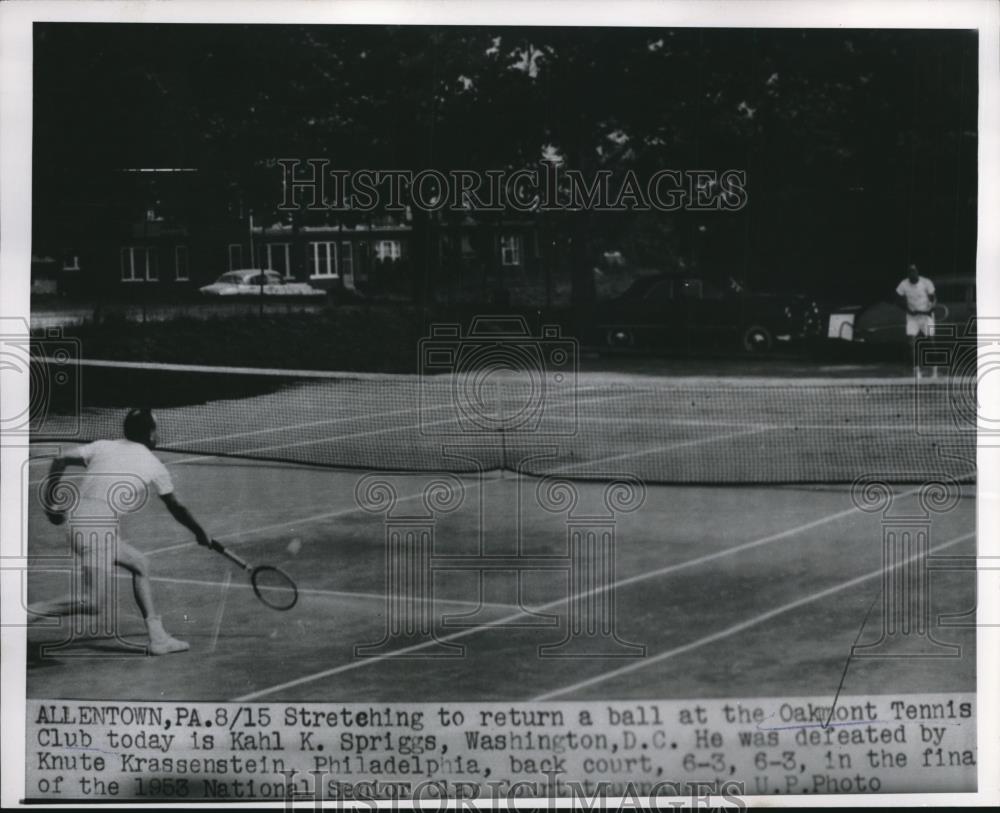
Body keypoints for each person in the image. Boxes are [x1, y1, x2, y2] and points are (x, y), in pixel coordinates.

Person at [32, 408, 211, 655]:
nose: (157, 434)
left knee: (140, 564)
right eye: (155, 429)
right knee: (92, 602)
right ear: (150, 434)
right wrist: (200, 532)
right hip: (96, 531)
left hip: (82, 525)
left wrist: (52, 501)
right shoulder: (154, 465)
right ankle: (32, 611)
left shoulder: (103, 446)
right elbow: (177, 507)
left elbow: (60, 458)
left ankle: (158, 637)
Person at [894, 263, 937, 377]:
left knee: (931, 342)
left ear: (917, 273)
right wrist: (908, 310)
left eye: (914, 272)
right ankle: (917, 371)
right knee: (912, 344)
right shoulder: (903, 284)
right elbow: (897, 300)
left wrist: (930, 309)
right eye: (910, 272)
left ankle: (934, 371)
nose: (912, 274)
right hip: (912, 317)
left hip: (926, 316)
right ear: (908, 274)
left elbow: (934, 299)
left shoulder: (926, 282)